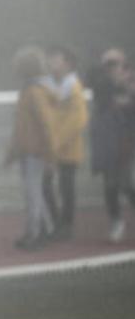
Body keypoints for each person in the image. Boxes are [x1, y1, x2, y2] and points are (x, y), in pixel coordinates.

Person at [5, 46, 55, 250]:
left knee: (33, 193)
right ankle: (47, 228)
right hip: (28, 150)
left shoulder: (34, 92)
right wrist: (13, 151)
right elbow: (22, 126)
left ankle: (35, 233)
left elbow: (46, 124)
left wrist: (50, 154)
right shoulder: (29, 91)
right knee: (34, 192)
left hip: (35, 151)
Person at [41, 45, 88, 241]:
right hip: (50, 146)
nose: (51, 62)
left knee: (66, 186)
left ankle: (66, 226)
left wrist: (57, 142)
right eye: (49, 58)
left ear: (67, 63)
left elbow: (78, 119)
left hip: (67, 147)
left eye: (56, 58)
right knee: (45, 184)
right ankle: (55, 222)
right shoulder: (46, 85)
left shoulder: (73, 87)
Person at [88, 47, 135, 242]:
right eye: (107, 64)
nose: (111, 68)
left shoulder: (130, 86)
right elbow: (94, 82)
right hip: (108, 143)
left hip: (127, 141)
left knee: (125, 183)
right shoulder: (102, 85)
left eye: (115, 63)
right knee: (110, 184)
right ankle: (116, 221)